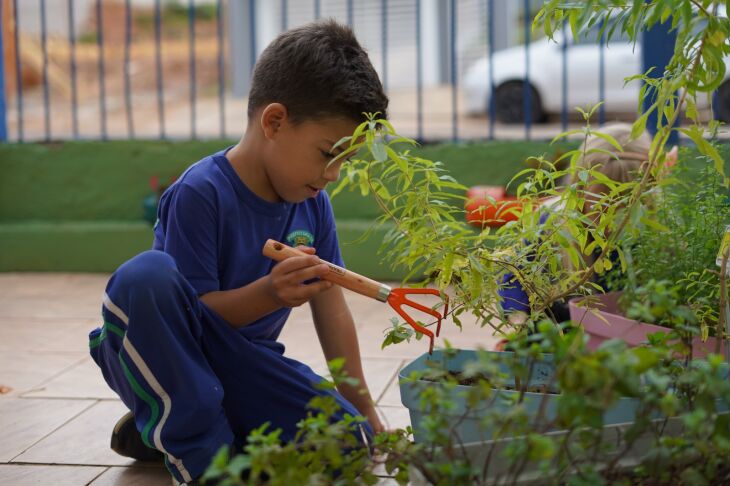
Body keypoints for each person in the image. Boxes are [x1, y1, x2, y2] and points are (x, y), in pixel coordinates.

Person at [88, 20, 388, 485]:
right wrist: (270, 292)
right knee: (146, 275)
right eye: (329, 153)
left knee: (344, 439)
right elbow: (195, 324)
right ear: (274, 121)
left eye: (346, 162)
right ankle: (202, 454)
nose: (333, 175)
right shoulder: (200, 192)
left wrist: (364, 407)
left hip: (243, 367)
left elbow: (332, 309)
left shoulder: (313, 204)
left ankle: (160, 426)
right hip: (167, 356)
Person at [498, 123, 677, 326]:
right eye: (602, 204)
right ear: (579, 190)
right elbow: (516, 280)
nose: (612, 217)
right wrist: (518, 321)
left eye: (627, 206)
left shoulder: (661, 230)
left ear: (649, 197)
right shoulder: (549, 223)